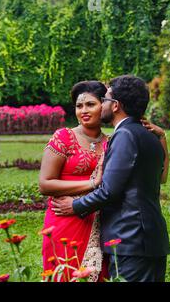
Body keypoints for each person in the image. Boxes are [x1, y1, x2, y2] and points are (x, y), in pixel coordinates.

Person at [52, 75, 170, 282]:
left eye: (105, 99)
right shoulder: (151, 136)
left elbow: (109, 190)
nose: (103, 103)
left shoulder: (124, 135)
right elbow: (160, 178)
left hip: (131, 239)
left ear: (116, 105)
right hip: (152, 239)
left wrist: (76, 205)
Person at [39, 81, 109, 282]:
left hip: (99, 223)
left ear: (103, 106)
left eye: (90, 104)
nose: (84, 111)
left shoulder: (111, 142)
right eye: (79, 106)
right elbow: (45, 184)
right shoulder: (64, 137)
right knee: (64, 273)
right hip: (64, 220)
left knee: (98, 275)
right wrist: (92, 184)